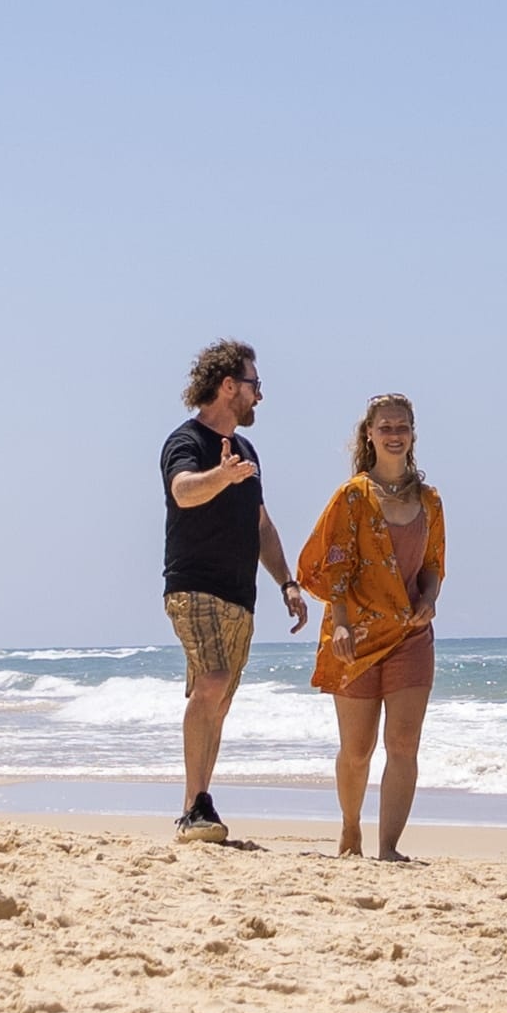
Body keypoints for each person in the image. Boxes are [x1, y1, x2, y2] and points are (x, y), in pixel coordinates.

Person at [158, 340, 296, 842]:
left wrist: (288, 582)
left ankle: (199, 806)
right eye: (254, 385)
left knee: (218, 700)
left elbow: (261, 524)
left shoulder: (247, 451)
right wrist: (221, 476)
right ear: (229, 386)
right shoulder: (186, 440)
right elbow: (183, 491)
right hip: (193, 587)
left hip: (242, 596)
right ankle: (194, 806)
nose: (260, 396)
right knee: (211, 681)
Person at [302, 392, 448, 861]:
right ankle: (350, 828)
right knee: (358, 749)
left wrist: (428, 599)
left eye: (401, 426)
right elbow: (333, 565)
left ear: (413, 435)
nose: (393, 434)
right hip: (356, 636)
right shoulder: (352, 496)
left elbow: (433, 565)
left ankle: (389, 847)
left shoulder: (430, 500)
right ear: (369, 434)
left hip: (411, 635)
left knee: (403, 744)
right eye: (384, 426)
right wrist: (340, 624)